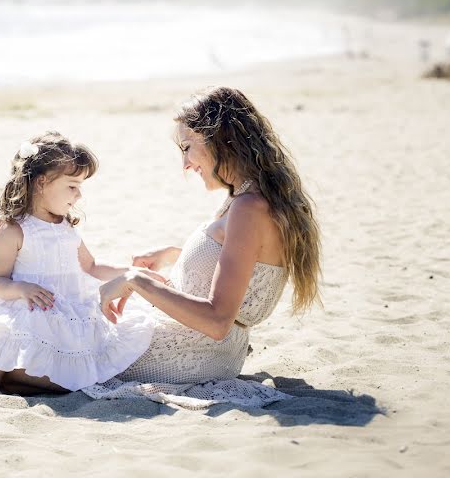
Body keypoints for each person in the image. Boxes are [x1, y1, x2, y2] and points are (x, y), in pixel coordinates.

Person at [84, 86, 321, 408]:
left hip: (195, 349)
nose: (185, 164)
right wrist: (172, 255)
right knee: (59, 321)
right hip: (206, 346)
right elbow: (244, 271)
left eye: (187, 147)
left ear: (219, 138)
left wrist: (135, 280)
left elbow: (217, 321)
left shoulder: (250, 208)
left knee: (54, 346)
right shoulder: (247, 197)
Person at [0, 131, 156, 395]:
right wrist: (21, 288)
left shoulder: (67, 226)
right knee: (18, 318)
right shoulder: (15, 230)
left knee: (81, 363)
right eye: (72, 186)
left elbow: (91, 266)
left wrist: (129, 272)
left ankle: (29, 375)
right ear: (41, 183)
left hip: (66, 311)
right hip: (34, 307)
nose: (78, 195)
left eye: (80, 187)